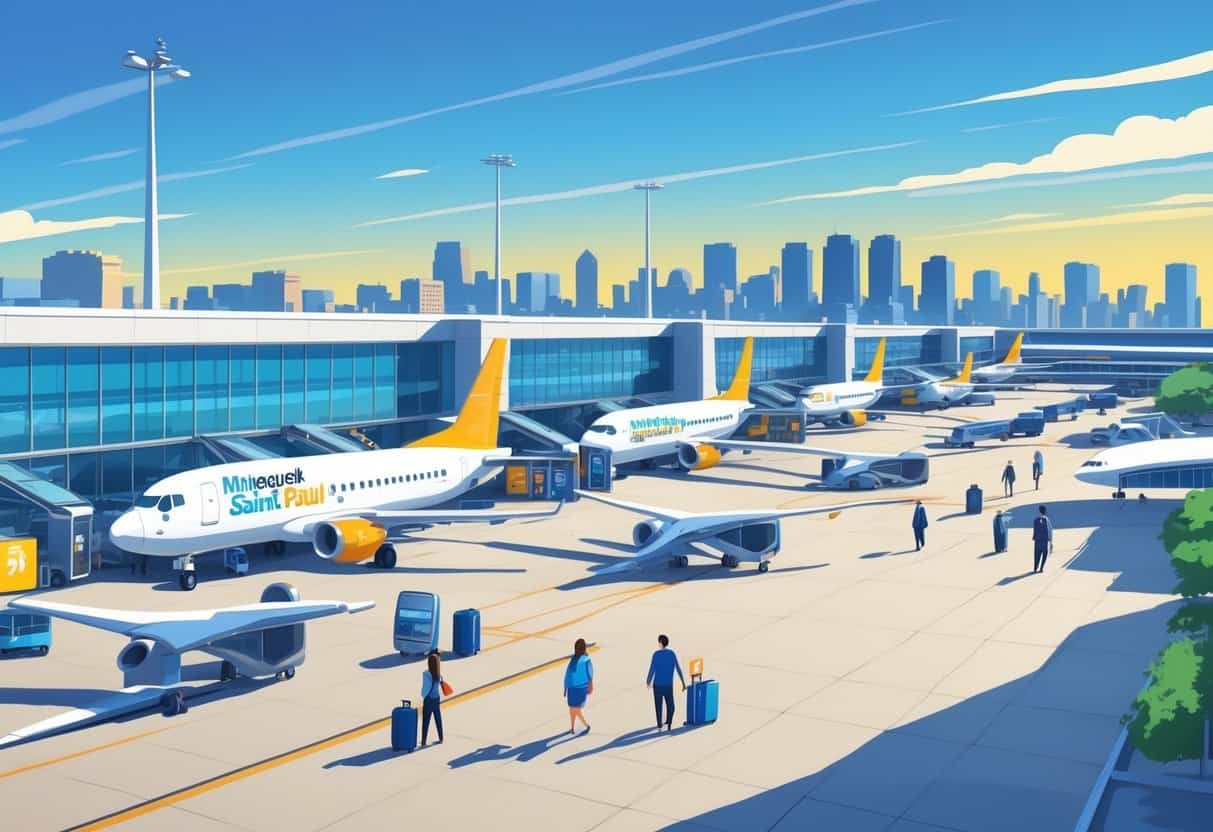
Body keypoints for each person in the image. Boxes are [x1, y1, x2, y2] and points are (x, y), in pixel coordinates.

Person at [646, 634, 687, 732]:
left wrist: (648, 680)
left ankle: (659, 724)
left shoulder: (656, 654)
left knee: (658, 706)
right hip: (668, 685)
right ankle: (669, 721)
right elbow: (678, 668)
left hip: (657, 685)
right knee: (671, 705)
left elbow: (652, 669)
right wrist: (683, 682)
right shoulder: (672, 654)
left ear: (660, 643)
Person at [563, 638, 593, 735]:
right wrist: (590, 685)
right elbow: (590, 674)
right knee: (576, 708)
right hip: (581, 687)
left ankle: (575, 726)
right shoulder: (586, 659)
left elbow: (568, 673)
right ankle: (582, 725)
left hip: (572, 687)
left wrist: (565, 686)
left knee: (573, 708)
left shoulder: (573, 659)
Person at [420, 650, 446, 746]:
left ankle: (424, 741)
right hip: (436, 699)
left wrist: (423, 695)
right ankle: (441, 738)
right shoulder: (438, 675)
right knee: (438, 718)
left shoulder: (426, 674)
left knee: (426, 721)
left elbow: (425, 689)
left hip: (428, 700)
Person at [1032, 505, 1054, 573]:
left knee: (1037, 555)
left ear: (1039, 511)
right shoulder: (1047, 520)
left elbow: (1034, 531)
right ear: (1045, 511)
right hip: (1045, 541)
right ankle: (1041, 568)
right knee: (1044, 554)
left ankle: (1035, 568)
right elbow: (1050, 531)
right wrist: (1051, 542)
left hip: (1037, 540)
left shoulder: (1035, 520)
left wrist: (1035, 537)